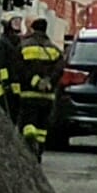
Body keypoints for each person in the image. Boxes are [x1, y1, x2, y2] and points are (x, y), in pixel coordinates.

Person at [13, 18, 63, 159]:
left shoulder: (24, 47)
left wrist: (35, 81)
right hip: (47, 96)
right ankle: (39, 151)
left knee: (28, 123)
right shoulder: (54, 50)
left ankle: (28, 146)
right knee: (42, 126)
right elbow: (59, 69)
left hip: (29, 94)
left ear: (33, 29)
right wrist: (49, 82)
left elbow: (19, 68)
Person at [0, 11, 23, 124]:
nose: (18, 24)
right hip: (5, 89)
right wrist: (5, 83)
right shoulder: (1, 44)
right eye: (15, 21)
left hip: (18, 90)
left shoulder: (19, 43)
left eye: (19, 21)